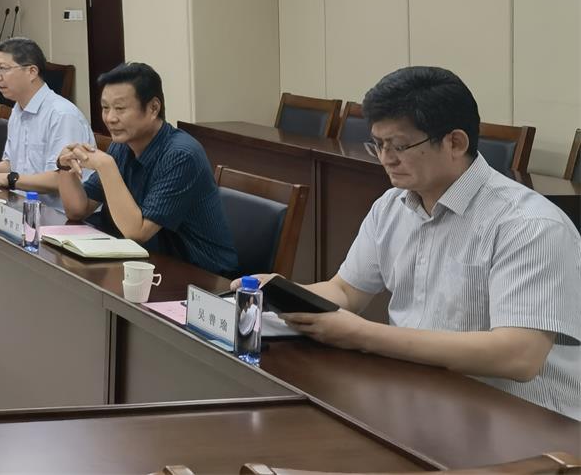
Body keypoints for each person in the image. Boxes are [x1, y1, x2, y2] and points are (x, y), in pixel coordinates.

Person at [236, 67, 579, 418]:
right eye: (379, 144)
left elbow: (518, 356)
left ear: (455, 143)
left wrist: (363, 335)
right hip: (425, 397)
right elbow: (346, 291)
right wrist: (279, 293)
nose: (386, 158)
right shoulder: (392, 206)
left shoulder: (529, 226)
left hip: (526, 421)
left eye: (400, 146)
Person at [41, 61, 236, 275]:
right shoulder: (121, 146)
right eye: (105, 108)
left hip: (200, 275)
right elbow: (78, 210)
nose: (110, 118)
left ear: (153, 108)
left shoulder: (182, 155)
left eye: (120, 109)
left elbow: (137, 232)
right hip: (144, 262)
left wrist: (106, 166)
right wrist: (64, 167)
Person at [0, 37, 93, 206]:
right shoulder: (18, 110)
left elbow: (61, 179)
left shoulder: (62, 115)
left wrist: (6, 179)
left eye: (3, 68)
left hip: (60, 214)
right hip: (22, 206)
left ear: (32, 72)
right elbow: (12, 165)